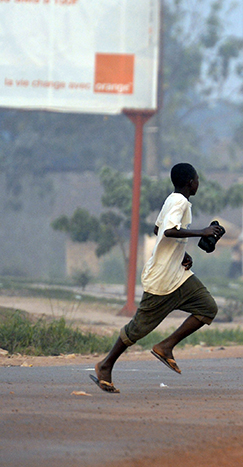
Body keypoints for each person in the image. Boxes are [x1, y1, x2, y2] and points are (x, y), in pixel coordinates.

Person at [89, 163, 225, 393]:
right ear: (190, 182)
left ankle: (166, 346)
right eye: (197, 179)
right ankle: (105, 365)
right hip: (162, 278)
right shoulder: (179, 202)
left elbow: (157, 229)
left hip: (179, 275)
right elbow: (167, 231)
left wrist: (182, 252)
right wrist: (201, 232)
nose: (198, 183)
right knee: (138, 329)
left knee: (207, 308)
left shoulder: (174, 200)